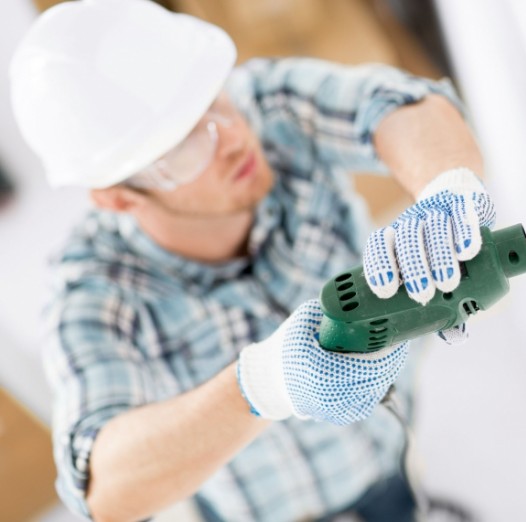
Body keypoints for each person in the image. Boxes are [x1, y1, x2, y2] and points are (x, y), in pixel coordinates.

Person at [10, 0, 495, 520]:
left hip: (385, 451)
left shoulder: (265, 107)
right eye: (183, 145)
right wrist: (265, 383)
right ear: (118, 197)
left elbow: (401, 106)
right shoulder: (92, 296)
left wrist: (448, 187)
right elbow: (103, 489)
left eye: (213, 100)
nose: (233, 137)